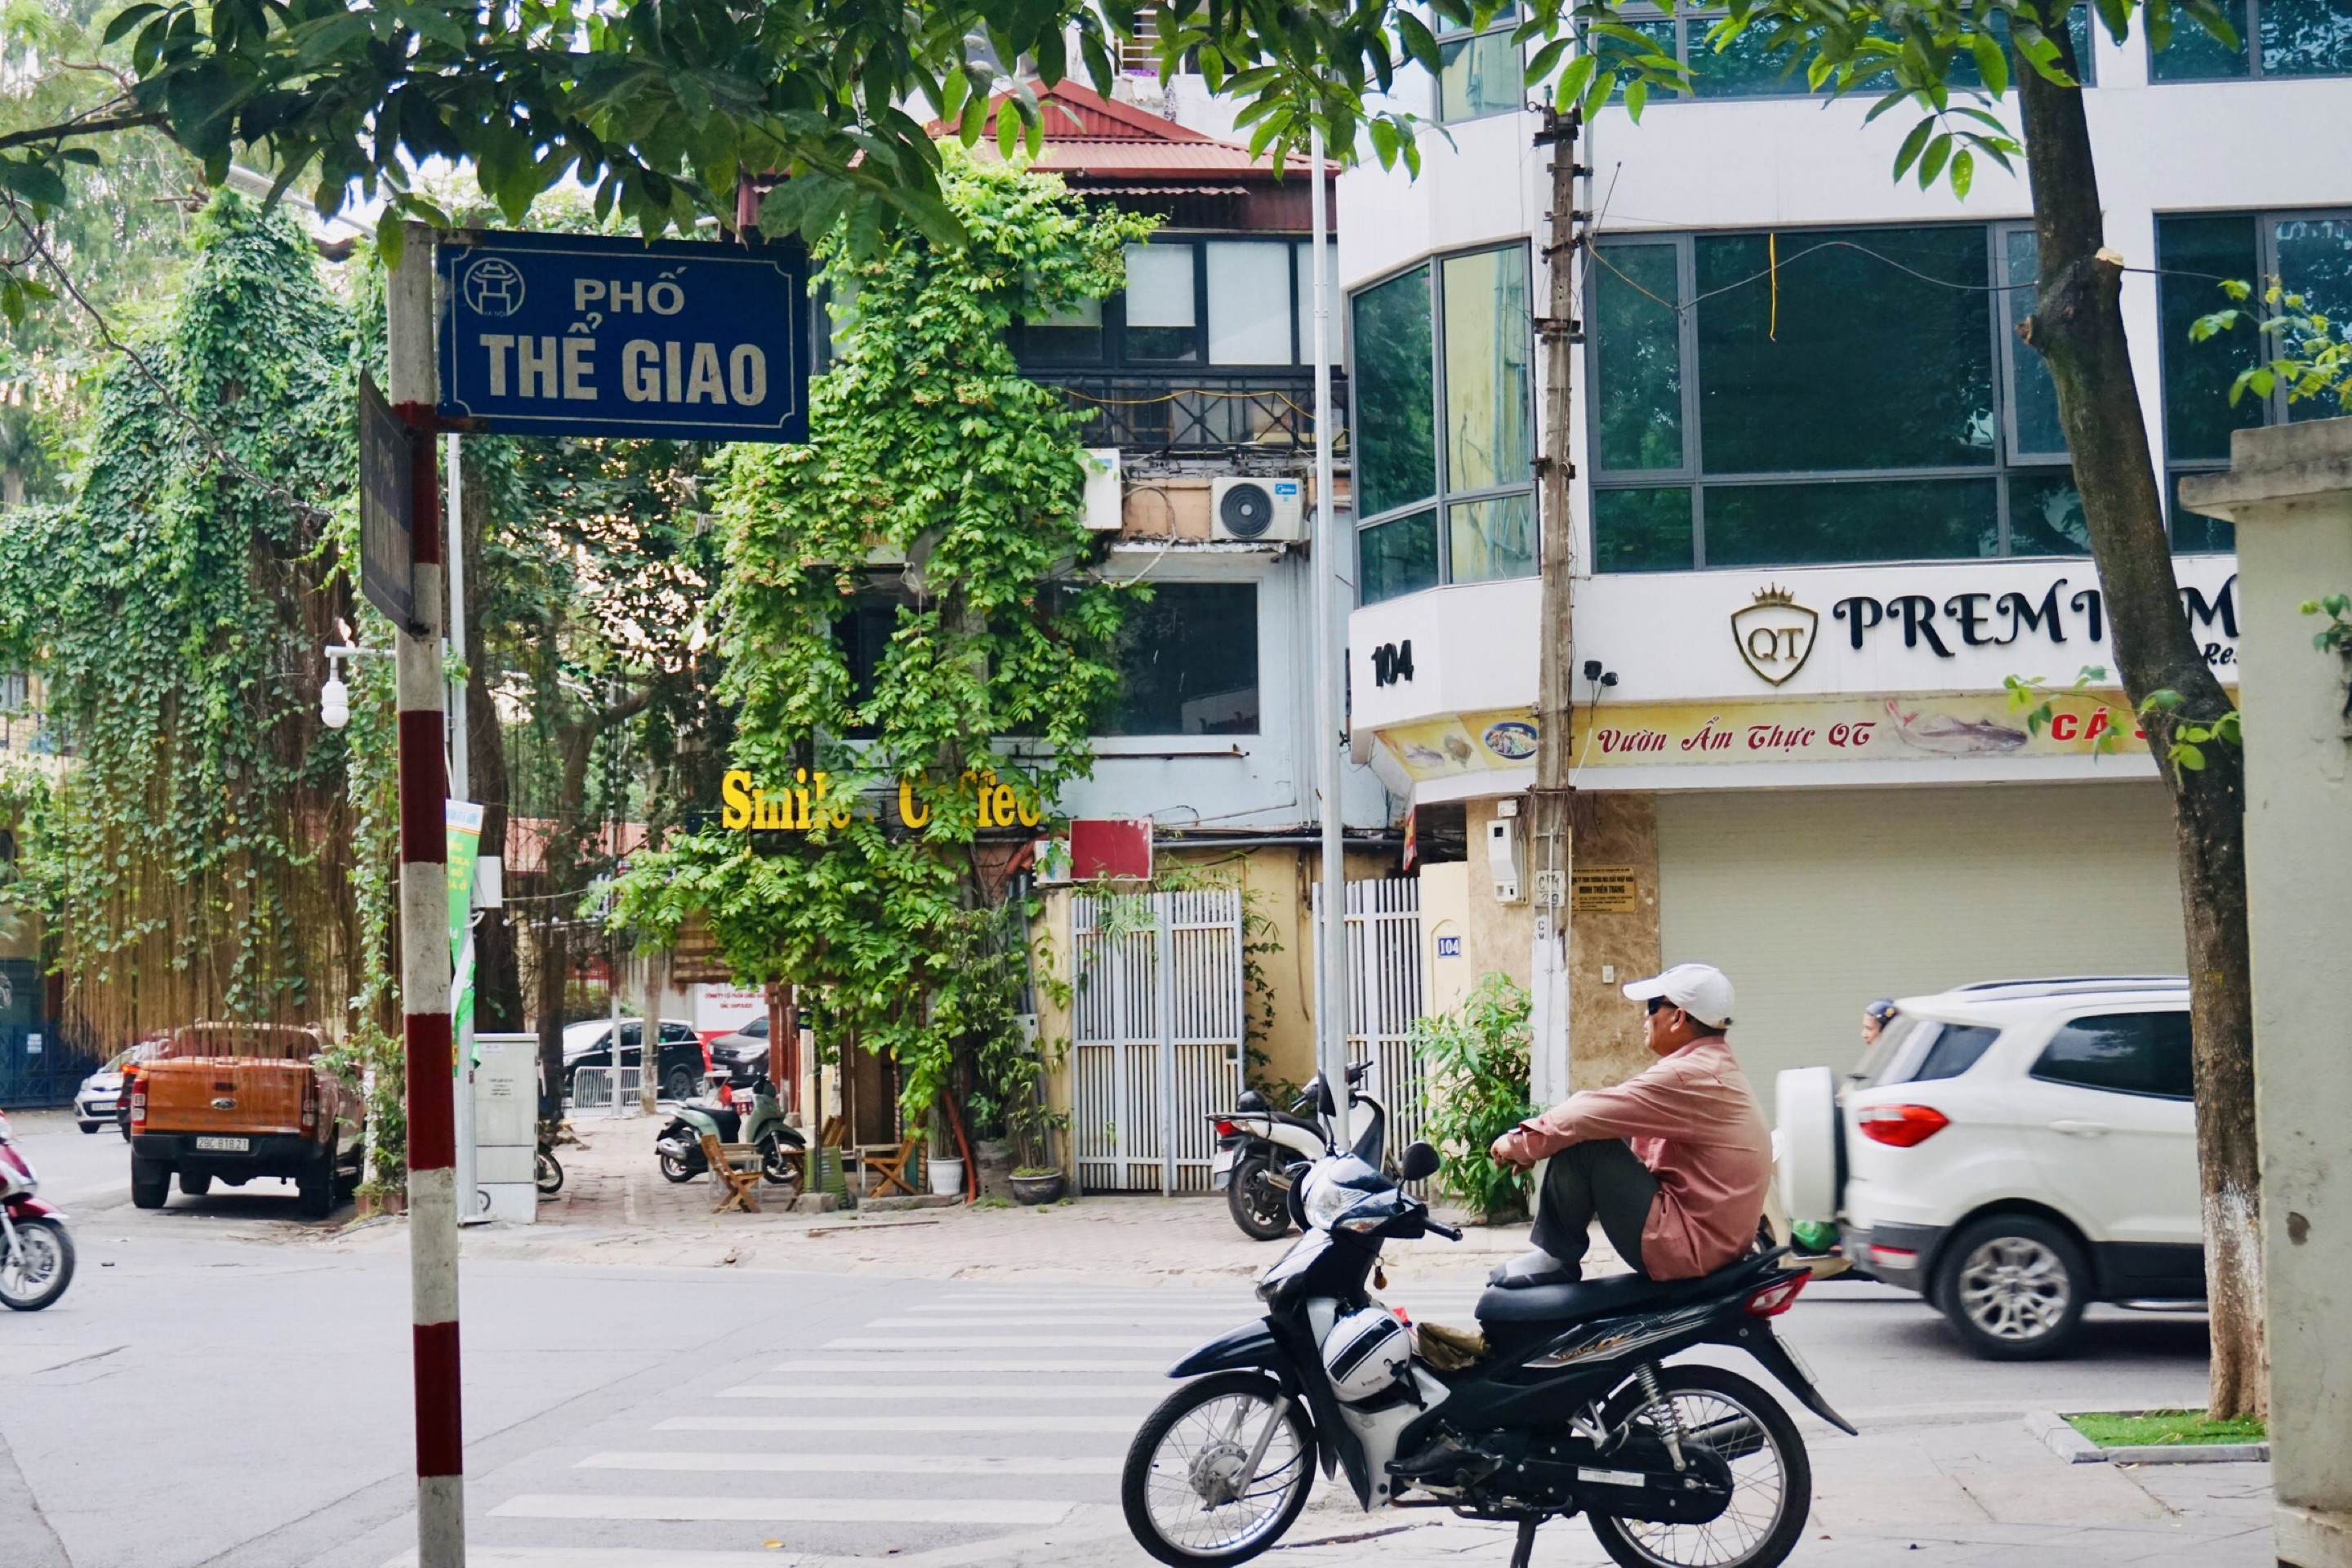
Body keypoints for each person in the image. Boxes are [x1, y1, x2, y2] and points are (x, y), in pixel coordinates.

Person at [1486, 962, 1771, 1286]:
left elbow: (1589, 1112)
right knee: (1591, 1131)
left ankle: (1556, 1259)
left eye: (1652, 1007)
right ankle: (1555, 1255)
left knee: (1588, 1144)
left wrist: (1521, 1144)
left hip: (1689, 1248)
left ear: (1678, 1017)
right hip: (1710, 1242)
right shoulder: (1710, 1067)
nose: (1644, 1018)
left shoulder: (1689, 1075)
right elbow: (1610, 1114)